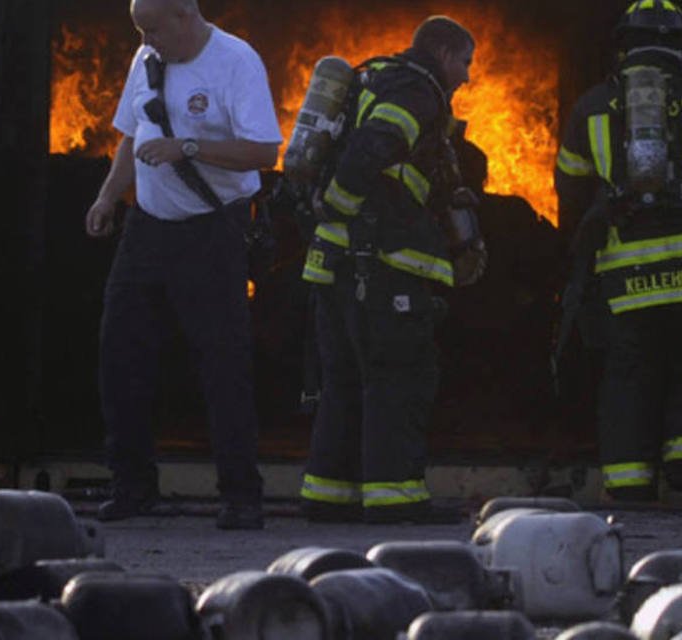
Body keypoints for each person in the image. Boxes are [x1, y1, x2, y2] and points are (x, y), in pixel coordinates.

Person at [84, 0, 282, 529]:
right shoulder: (146, 58)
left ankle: (241, 496)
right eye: (139, 31)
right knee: (119, 354)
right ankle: (132, 486)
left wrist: (187, 147)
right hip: (147, 227)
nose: (146, 40)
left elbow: (265, 151)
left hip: (212, 231)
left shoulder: (236, 62)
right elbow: (133, 134)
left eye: (152, 28)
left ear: (185, 15)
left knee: (223, 364)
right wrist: (108, 198)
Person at [554, 0, 682, 502]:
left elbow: (571, 191)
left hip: (625, 280)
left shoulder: (591, 107)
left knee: (627, 377)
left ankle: (627, 483)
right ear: (680, 45)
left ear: (622, 44)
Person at [298, 15, 483, 523]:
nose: (466, 75)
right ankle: (396, 498)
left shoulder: (371, 79)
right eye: (465, 62)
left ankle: (327, 494)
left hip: (336, 262)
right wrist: (341, 202)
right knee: (398, 379)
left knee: (343, 381)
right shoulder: (416, 91)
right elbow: (373, 147)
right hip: (382, 264)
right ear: (443, 53)